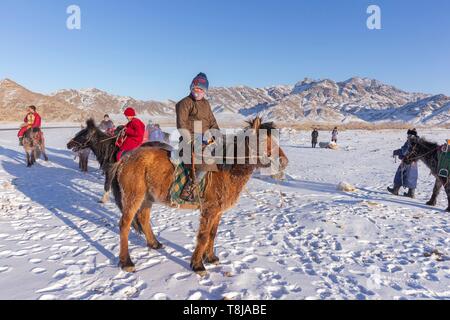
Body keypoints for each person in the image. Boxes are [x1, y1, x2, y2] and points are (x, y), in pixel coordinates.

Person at [176, 72, 220, 201]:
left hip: (206, 139)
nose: (197, 91)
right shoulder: (185, 103)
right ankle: (188, 190)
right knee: (207, 163)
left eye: (200, 89)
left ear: (205, 91)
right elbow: (181, 124)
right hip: (189, 139)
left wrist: (217, 136)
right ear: (191, 88)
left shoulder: (206, 104)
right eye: (195, 89)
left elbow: (212, 122)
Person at [387, 129, 419, 198]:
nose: (407, 136)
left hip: (406, 161)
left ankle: (395, 190)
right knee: (412, 176)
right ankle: (411, 193)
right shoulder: (418, 142)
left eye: (409, 135)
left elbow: (404, 152)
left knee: (399, 175)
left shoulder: (410, 141)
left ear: (411, 135)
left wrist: (397, 152)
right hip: (414, 163)